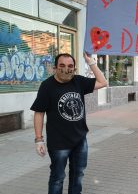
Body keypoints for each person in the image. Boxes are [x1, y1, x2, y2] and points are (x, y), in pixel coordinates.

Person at [31, 53, 107, 194]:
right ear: (55, 67)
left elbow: (103, 82)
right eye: (62, 66)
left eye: (70, 66)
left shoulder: (78, 81)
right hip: (59, 143)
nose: (66, 69)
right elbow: (39, 112)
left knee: (78, 175)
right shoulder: (47, 86)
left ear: (74, 68)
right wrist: (39, 139)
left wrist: (90, 62)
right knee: (58, 178)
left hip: (80, 140)